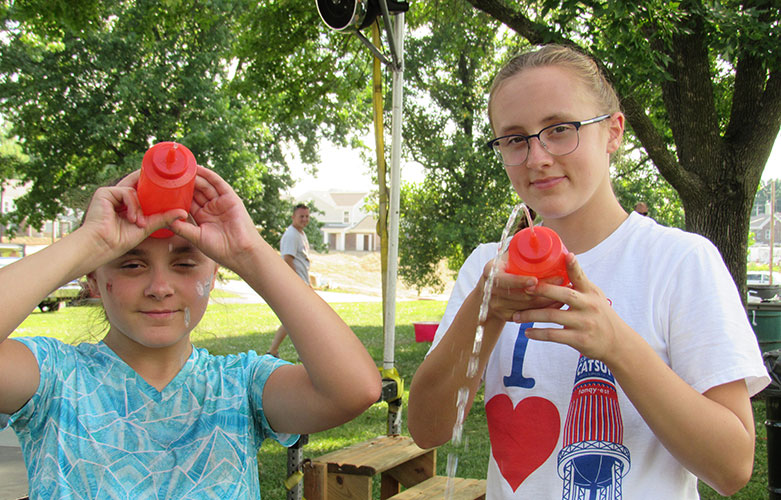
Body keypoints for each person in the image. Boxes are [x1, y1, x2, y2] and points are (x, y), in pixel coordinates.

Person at [407, 44, 769, 499]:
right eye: (515, 139)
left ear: (613, 132)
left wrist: (617, 345)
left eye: (560, 129)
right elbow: (426, 429)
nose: (537, 157)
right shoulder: (487, 267)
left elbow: (733, 467)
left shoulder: (679, 262)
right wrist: (485, 311)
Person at [0, 166, 381, 499]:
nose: (160, 286)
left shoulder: (239, 387)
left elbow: (354, 390)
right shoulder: (54, 379)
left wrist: (248, 251)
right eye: (131, 264)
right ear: (94, 281)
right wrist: (91, 241)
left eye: (184, 262)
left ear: (213, 275)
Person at [268, 203, 311, 357]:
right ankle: (274, 351)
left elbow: (302, 262)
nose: (304, 219)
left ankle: (277, 351)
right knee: (294, 320)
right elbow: (287, 260)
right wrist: (297, 283)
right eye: (301, 216)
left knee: (298, 319)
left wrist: (308, 284)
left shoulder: (300, 234)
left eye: (307, 216)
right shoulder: (291, 235)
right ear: (293, 217)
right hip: (294, 284)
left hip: (301, 283)